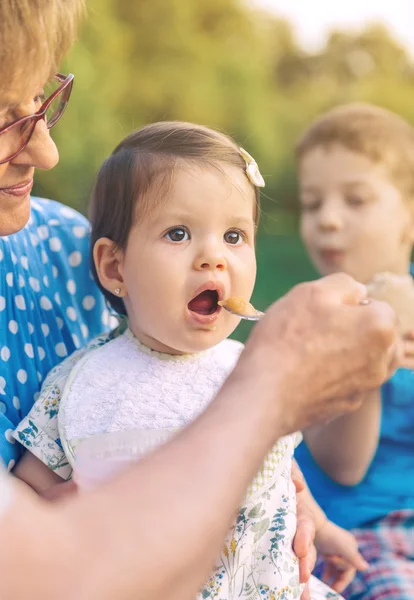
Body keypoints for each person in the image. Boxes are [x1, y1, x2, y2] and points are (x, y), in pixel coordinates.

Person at [0, 1, 402, 598]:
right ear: (114, 267)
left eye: (235, 236)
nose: (215, 258)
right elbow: (32, 496)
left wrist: (310, 514)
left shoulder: (245, 365)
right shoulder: (78, 383)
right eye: (179, 234)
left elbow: (277, 468)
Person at [294, 103, 414, 600]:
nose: (328, 220)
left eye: (356, 200)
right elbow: (344, 465)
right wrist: (370, 349)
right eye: (312, 203)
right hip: (351, 537)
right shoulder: (310, 321)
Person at [0, 0, 110, 471]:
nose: (47, 154)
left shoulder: (67, 247)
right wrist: (251, 416)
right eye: (3, 117)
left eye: (39, 94)